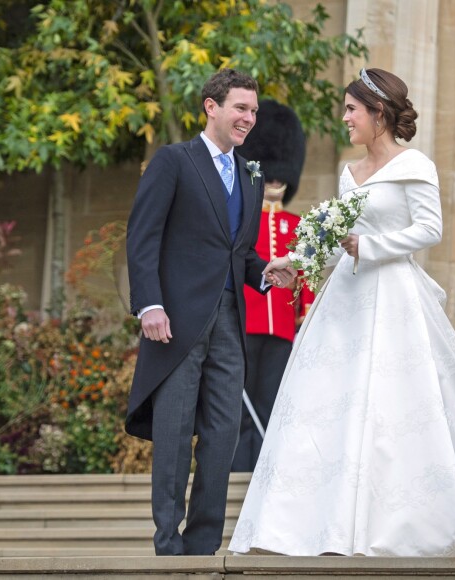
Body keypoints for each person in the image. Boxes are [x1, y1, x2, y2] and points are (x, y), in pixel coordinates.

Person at [229, 68, 455, 557]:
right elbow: (337, 244)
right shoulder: (348, 174)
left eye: (351, 109)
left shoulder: (417, 166)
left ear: (378, 113)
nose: (344, 118)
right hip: (344, 299)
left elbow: (430, 229)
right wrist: (295, 263)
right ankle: (315, 528)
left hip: (394, 298)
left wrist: (373, 246)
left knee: (394, 408)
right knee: (329, 405)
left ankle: (393, 525)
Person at [125, 68, 296, 556]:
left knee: (223, 435)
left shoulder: (251, 174)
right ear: (212, 106)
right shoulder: (174, 161)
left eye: (254, 111)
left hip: (230, 320)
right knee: (175, 432)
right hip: (175, 323)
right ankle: (167, 545)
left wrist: (268, 272)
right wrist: (150, 304)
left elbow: (237, 253)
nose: (249, 118)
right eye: (241, 108)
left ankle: (202, 547)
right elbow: (143, 238)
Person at [231, 100, 315, 472]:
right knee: (240, 401)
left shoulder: (298, 224)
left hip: (282, 327)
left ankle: (263, 470)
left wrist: (305, 317)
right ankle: (236, 466)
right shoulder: (242, 216)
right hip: (246, 321)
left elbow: (307, 276)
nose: (277, 180)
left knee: (270, 400)